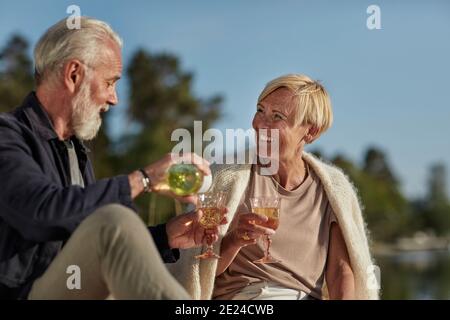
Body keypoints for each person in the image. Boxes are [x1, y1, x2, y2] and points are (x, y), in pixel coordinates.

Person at [0, 17, 224, 300]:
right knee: (114, 219)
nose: (114, 98)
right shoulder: (7, 136)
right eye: (109, 82)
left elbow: (82, 241)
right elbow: (41, 212)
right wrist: (143, 179)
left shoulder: (74, 150)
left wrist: (164, 236)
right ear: (73, 75)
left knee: (114, 220)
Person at [168, 74, 379, 300]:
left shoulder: (332, 190)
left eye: (277, 116)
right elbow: (200, 272)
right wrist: (235, 239)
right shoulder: (228, 177)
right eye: (260, 110)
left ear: (311, 131)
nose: (261, 124)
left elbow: (340, 273)